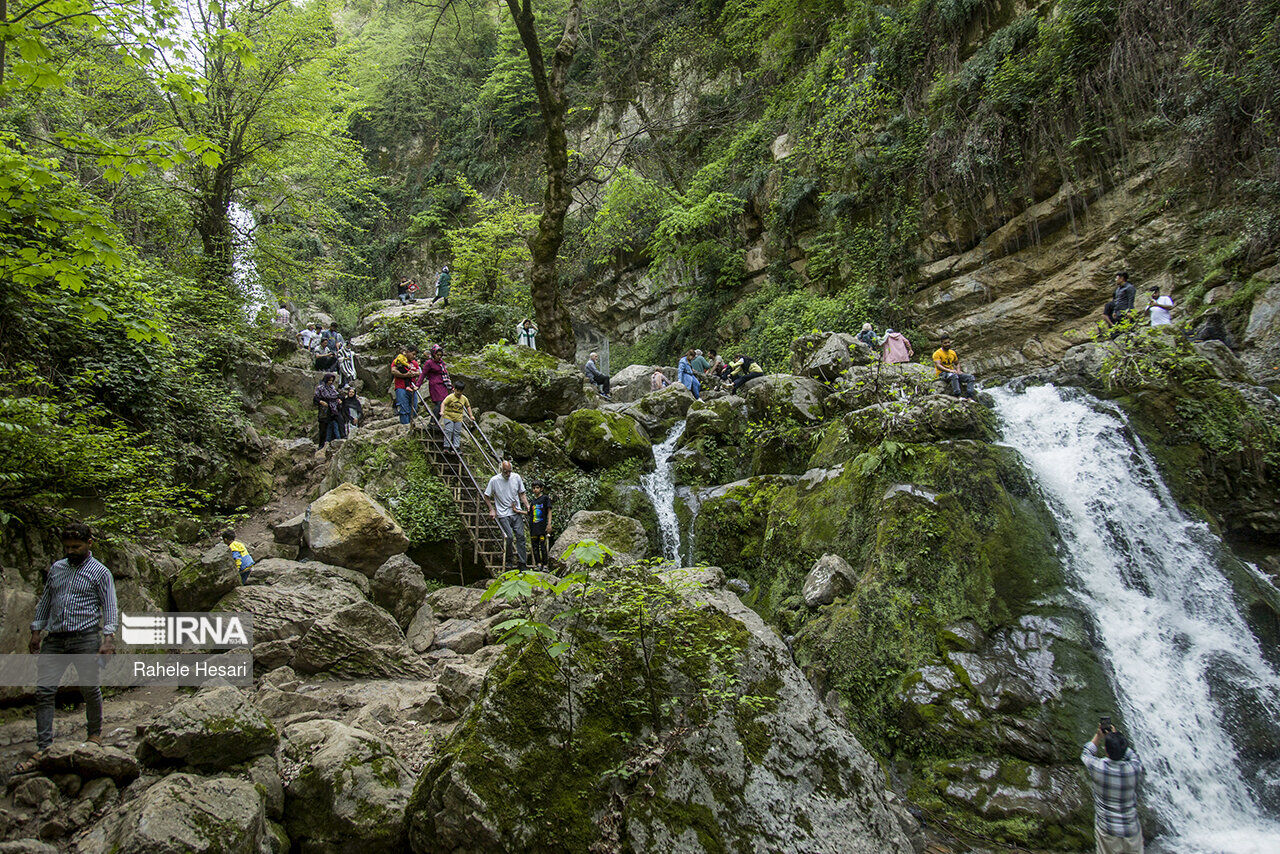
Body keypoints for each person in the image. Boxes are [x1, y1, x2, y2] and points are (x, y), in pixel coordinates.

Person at [18, 522, 116, 768]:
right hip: (56, 638)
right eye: (67, 546)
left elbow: (110, 606)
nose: (71, 550)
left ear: (89, 544)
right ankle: (44, 747)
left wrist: (108, 638)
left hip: (86, 636)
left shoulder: (100, 572)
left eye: (76, 546)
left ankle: (94, 735)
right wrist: (36, 630)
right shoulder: (57, 569)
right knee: (44, 692)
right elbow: (46, 600)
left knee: (89, 688)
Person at [1081, 722, 1145, 853]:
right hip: (1131, 831)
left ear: (1105, 749)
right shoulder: (1134, 768)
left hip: (1108, 831)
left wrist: (1098, 736)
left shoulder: (1098, 768)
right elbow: (1132, 756)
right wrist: (1115, 737)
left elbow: (1086, 754)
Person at [484, 460, 531, 569]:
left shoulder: (516, 477)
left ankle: (522, 563)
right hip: (503, 513)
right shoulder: (494, 480)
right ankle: (509, 561)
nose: (508, 474)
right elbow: (486, 496)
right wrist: (491, 509)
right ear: (501, 470)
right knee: (509, 537)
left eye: (509, 471)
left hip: (516, 512)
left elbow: (522, 494)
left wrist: (527, 505)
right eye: (505, 472)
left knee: (520, 536)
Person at [440, 380, 473, 453]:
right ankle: (446, 446)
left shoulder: (464, 398)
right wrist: (442, 411)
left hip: (458, 418)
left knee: (457, 432)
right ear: (454, 389)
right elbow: (443, 403)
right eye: (457, 390)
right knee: (448, 430)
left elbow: (468, 406)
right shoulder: (450, 397)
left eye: (460, 391)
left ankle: (456, 447)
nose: (458, 393)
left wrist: (471, 415)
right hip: (448, 416)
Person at [391, 345, 420, 425]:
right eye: (413, 354)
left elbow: (419, 372)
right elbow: (393, 371)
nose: (414, 356)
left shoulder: (414, 363)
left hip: (412, 387)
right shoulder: (399, 360)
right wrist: (405, 375)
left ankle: (412, 424)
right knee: (403, 408)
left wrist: (414, 373)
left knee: (414, 406)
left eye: (415, 355)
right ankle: (405, 426)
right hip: (401, 388)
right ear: (407, 352)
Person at [422, 344, 451, 418]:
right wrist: (417, 385)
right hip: (435, 386)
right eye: (437, 355)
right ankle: (433, 423)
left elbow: (445, 374)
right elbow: (423, 374)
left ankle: (436, 423)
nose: (439, 356)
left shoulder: (441, 363)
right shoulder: (429, 363)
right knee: (439, 403)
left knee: (445, 403)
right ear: (433, 354)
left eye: (440, 355)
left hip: (442, 385)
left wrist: (450, 386)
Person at [529, 480, 552, 572]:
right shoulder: (533, 502)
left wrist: (549, 524)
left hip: (542, 527)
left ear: (541, 489)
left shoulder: (545, 498)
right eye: (534, 488)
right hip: (534, 527)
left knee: (543, 546)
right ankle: (538, 564)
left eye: (537, 488)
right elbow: (529, 513)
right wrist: (517, 511)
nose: (535, 490)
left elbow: (549, 510)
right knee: (535, 546)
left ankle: (545, 565)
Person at [314, 372, 343, 446]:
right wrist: (321, 402)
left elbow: (337, 396)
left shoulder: (332, 388)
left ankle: (333, 444)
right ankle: (321, 445)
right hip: (325, 410)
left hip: (333, 410)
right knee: (323, 429)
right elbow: (316, 398)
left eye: (331, 380)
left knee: (334, 427)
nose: (330, 382)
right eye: (329, 380)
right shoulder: (320, 388)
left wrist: (339, 400)